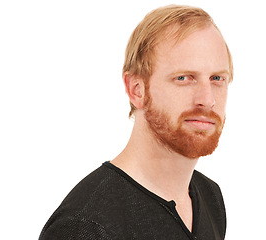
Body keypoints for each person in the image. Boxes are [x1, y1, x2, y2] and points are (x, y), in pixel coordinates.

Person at [39, 4, 233, 240]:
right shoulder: (86, 225)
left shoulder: (210, 196)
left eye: (217, 78)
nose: (207, 99)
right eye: (183, 78)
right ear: (136, 90)